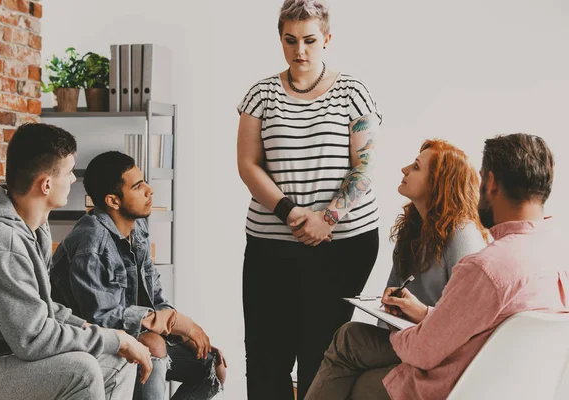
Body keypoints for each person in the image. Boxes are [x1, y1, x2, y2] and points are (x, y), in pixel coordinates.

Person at [305, 133, 567, 400]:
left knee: (356, 381)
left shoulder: (485, 267)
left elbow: (423, 351)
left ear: (490, 182)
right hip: (505, 388)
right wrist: (424, 315)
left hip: (451, 386)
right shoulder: (556, 258)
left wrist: (402, 330)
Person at [237, 0, 382, 398]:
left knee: (322, 354)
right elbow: (248, 165)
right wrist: (291, 212)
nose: (299, 50)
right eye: (290, 40)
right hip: (271, 246)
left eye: (309, 40)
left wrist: (327, 219)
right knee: (267, 355)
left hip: (343, 245)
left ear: (327, 39)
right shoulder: (260, 94)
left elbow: (365, 166)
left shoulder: (353, 91)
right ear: (280, 38)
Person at [0, 123, 152, 400]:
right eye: (68, 173)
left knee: (118, 364)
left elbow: (43, 308)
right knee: (83, 369)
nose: (73, 180)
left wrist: (94, 331)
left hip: (7, 353)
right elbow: (33, 338)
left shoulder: (34, 224)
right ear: (46, 184)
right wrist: (116, 339)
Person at [50, 151, 226, 400]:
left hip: (128, 328)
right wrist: (175, 323)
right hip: (90, 339)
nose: (149, 190)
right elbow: (102, 317)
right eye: (138, 186)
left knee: (211, 365)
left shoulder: (138, 227)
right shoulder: (91, 242)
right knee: (154, 345)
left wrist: (178, 331)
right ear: (113, 201)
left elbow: (153, 295)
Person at [380, 139, 488, 323]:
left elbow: (473, 315)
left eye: (416, 167)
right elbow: (391, 298)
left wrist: (422, 312)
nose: (404, 169)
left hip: (441, 348)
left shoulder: (463, 233)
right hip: (406, 340)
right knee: (352, 335)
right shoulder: (411, 227)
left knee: (349, 337)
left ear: (437, 183)